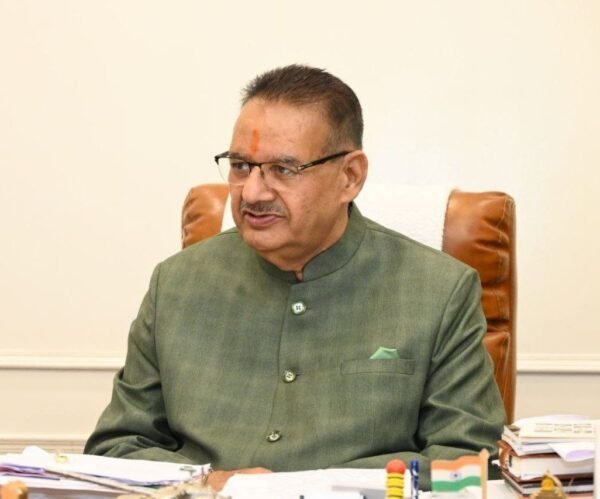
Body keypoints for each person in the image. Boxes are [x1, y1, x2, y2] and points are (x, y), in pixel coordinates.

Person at [85, 64, 505, 490]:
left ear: (350, 177)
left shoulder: (439, 291)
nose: (252, 192)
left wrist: (313, 488)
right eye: (241, 166)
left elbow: (469, 464)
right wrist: (214, 483)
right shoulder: (176, 284)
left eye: (283, 170)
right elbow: (116, 449)